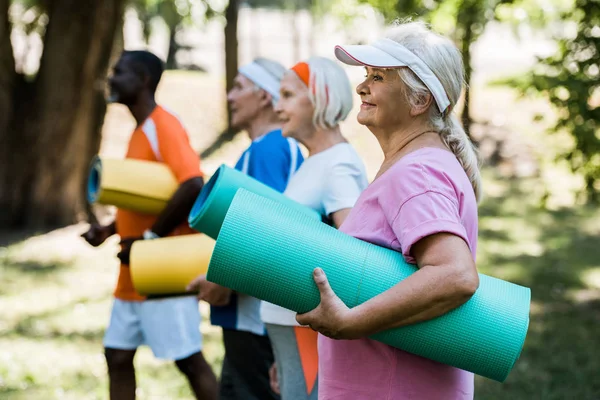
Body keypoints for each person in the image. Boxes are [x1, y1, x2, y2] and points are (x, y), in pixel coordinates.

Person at [295, 21, 482, 399]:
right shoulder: (420, 163)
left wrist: (351, 322)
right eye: (366, 74)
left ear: (419, 100)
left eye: (379, 76)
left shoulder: (416, 172)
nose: (362, 86)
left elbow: (455, 274)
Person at [81, 50, 217, 400]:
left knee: (188, 361)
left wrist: (150, 237)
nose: (111, 78)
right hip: (132, 270)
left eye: (119, 72)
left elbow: (192, 184)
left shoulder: (163, 126)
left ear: (143, 79)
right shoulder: (140, 131)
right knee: (117, 355)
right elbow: (152, 197)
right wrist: (110, 230)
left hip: (160, 270)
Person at [187, 58, 303, 400]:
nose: (229, 96)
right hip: (268, 317)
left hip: (252, 318)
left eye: (239, 87)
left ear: (265, 97)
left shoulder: (264, 150)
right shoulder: (287, 147)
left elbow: (265, 230)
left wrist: (221, 281)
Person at [261, 57, 368, 400]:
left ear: (321, 97)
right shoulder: (316, 161)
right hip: (291, 334)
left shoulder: (338, 164)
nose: (278, 108)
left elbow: (355, 255)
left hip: (308, 333)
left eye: (288, 95)